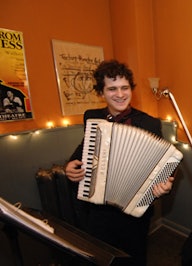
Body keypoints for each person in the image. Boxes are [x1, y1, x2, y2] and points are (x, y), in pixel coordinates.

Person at [65, 59, 174, 265]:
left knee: (135, 257)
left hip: (134, 210)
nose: (120, 94)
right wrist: (70, 165)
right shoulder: (92, 117)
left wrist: (166, 184)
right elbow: (83, 150)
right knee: (102, 256)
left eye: (125, 88)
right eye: (112, 88)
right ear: (101, 92)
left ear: (131, 89)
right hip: (98, 208)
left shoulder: (149, 122)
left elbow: (163, 163)